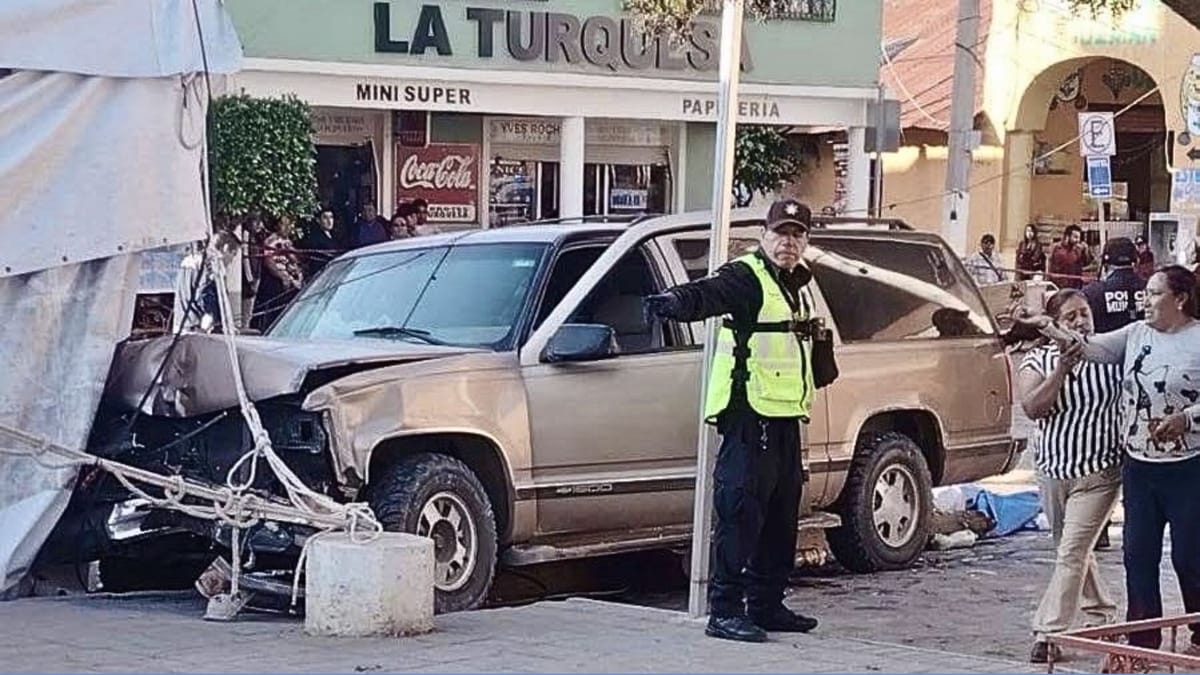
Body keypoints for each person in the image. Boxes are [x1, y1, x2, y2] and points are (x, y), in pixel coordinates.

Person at [645, 198, 825, 643]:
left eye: (797, 234)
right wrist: (673, 302)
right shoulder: (747, 275)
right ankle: (724, 610)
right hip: (748, 413)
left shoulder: (795, 282)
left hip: (783, 415)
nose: (789, 242)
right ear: (765, 235)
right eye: (781, 233)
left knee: (781, 515)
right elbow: (708, 294)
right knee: (740, 511)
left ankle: (766, 604)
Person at [1038, 266, 1200, 659]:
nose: (1145, 301)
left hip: (1187, 466)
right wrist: (1048, 327)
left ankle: (1198, 627)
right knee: (1137, 554)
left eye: (1155, 293)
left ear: (1179, 299)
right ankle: (1142, 643)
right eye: (1145, 293)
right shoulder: (1135, 335)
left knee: (1188, 555)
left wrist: (1186, 418)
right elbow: (1090, 347)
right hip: (1139, 465)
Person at [1017, 289, 1124, 663]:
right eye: (1071, 318)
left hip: (1100, 472)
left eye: (1084, 314)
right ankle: (1104, 614)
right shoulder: (1038, 360)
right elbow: (1033, 408)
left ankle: (1049, 633)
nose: (1081, 322)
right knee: (1071, 551)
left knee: (1073, 550)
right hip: (1053, 470)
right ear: (1056, 325)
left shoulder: (1108, 357)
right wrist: (1062, 368)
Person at [252, 215, 305, 331]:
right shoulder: (271, 241)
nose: (287, 228)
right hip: (274, 282)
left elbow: (296, 261)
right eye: (284, 224)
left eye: (289, 225)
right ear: (277, 226)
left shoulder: (288, 242)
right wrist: (282, 277)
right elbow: (268, 261)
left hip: (290, 280)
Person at [1048, 225, 1094, 289]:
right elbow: (1049, 264)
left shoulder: (1078, 249)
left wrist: (1086, 251)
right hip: (1058, 284)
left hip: (1074, 285)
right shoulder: (1056, 248)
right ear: (1067, 236)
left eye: (1079, 238)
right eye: (1075, 237)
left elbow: (1088, 263)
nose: (1077, 240)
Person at [300, 208, 340, 278]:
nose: (329, 221)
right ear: (318, 220)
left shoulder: (335, 237)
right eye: (325, 218)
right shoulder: (315, 238)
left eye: (331, 217)